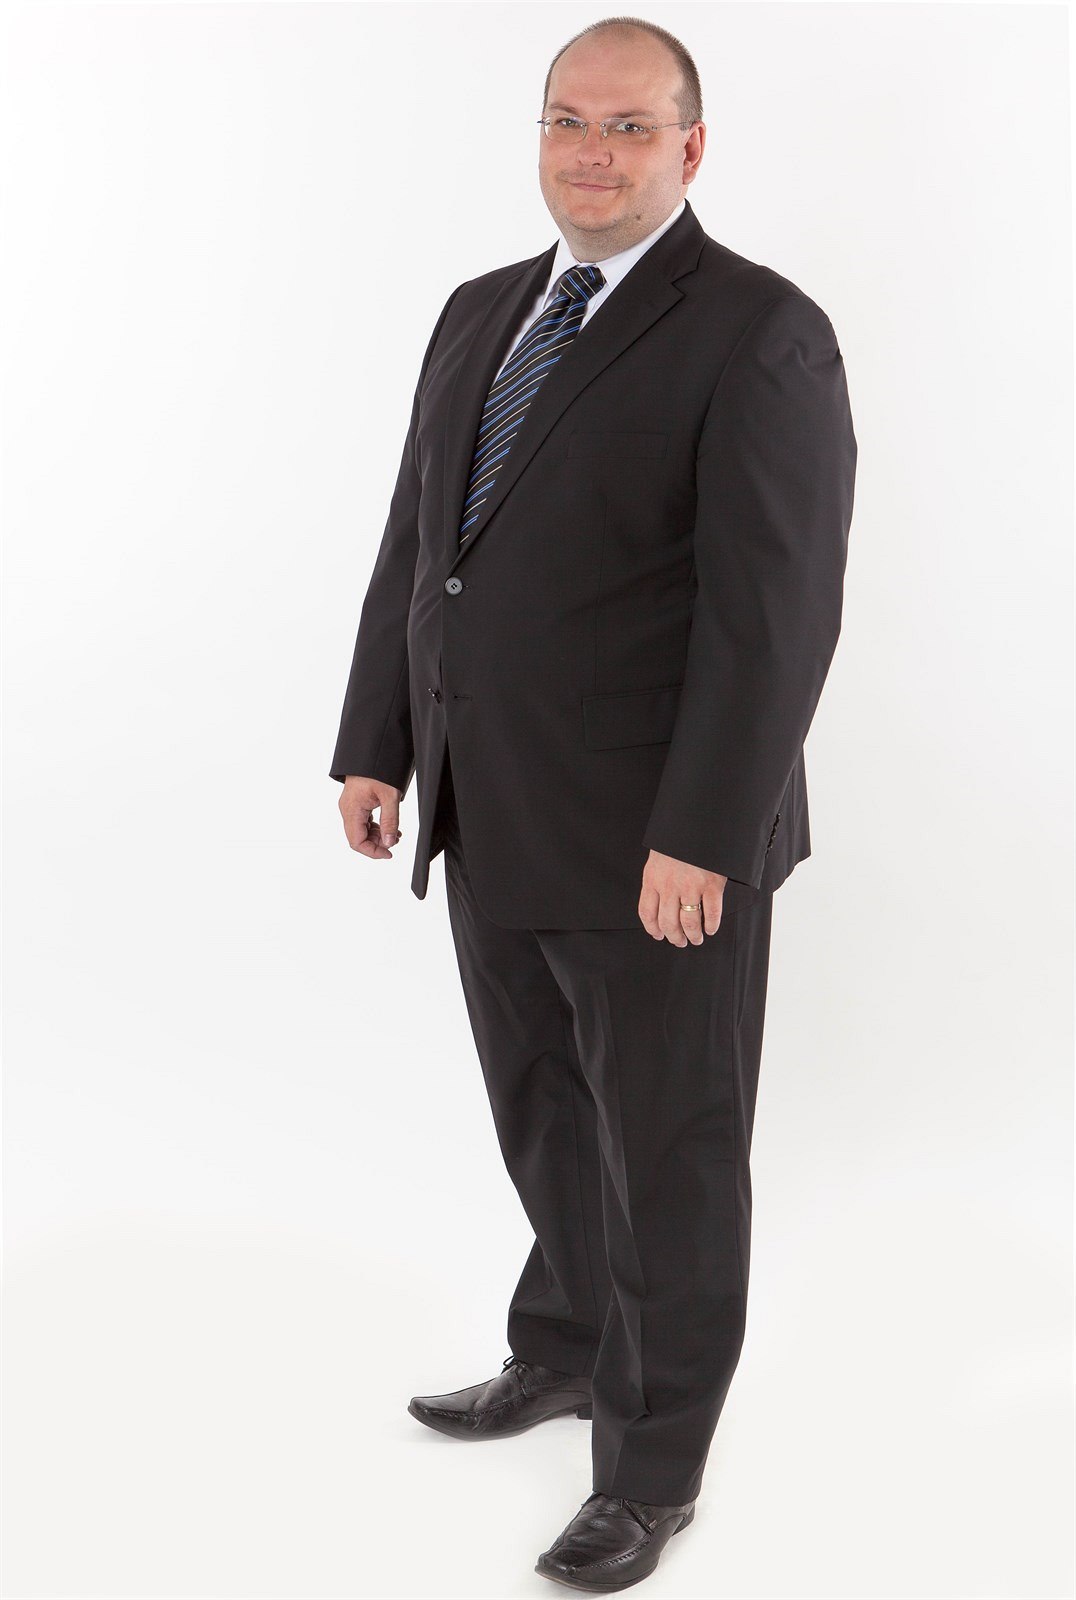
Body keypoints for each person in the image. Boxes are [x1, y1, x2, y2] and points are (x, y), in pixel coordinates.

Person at [329, 15, 857, 1591]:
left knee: (669, 1152)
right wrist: (376, 741)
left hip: (656, 846)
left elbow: (775, 617)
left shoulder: (761, 332)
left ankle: (653, 1469)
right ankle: (562, 1344)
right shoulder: (482, 310)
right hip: (489, 804)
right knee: (544, 1108)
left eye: (631, 126)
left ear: (692, 147)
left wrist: (703, 833)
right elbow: (421, 543)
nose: (594, 152)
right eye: (570, 119)